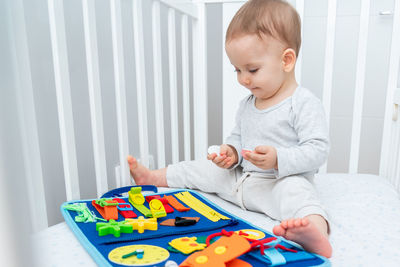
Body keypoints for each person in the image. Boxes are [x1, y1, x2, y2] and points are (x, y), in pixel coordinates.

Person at [127, 0, 332, 258]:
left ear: (286, 60)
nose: (243, 79)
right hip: (241, 181)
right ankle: (153, 178)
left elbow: (318, 150)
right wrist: (231, 153)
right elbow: (238, 135)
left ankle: (315, 231)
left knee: (298, 193)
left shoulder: (302, 103)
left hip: (275, 184)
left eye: (252, 69)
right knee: (202, 168)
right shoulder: (247, 103)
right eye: (237, 69)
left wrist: (279, 158)